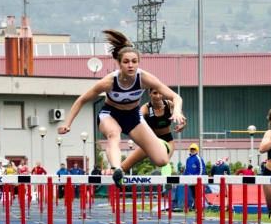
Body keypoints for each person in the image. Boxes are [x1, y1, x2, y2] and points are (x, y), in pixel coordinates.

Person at [57, 29, 184, 188]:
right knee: (113, 135)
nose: (130, 65)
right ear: (119, 63)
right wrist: (68, 123)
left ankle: (157, 145)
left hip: (133, 117)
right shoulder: (109, 82)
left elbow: (176, 97)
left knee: (161, 160)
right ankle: (116, 169)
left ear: (138, 62)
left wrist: (177, 110)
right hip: (111, 115)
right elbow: (81, 100)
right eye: (126, 62)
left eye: (134, 61)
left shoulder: (144, 78)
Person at [120, 88, 186, 175]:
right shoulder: (146, 108)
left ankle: (167, 184)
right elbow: (135, 119)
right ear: (150, 94)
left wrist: (182, 125)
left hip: (167, 141)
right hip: (151, 142)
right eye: (155, 93)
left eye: (160, 93)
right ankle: (115, 180)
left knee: (164, 161)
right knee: (123, 167)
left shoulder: (170, 105)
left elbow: (182, 119)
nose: (157, 96)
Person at [185, 144, 206, 210]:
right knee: (193, 194)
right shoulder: (188, 159)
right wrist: (185, 178)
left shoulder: (198, 158)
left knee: (198, 194)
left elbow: (202, 168)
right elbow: (187, 169)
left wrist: (199, 178)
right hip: (190, 180)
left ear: (196, 150)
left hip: (197, 180)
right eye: (191, 149)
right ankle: (195, 207)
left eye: (194, 149)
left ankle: (199, 208)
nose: (192, 150)